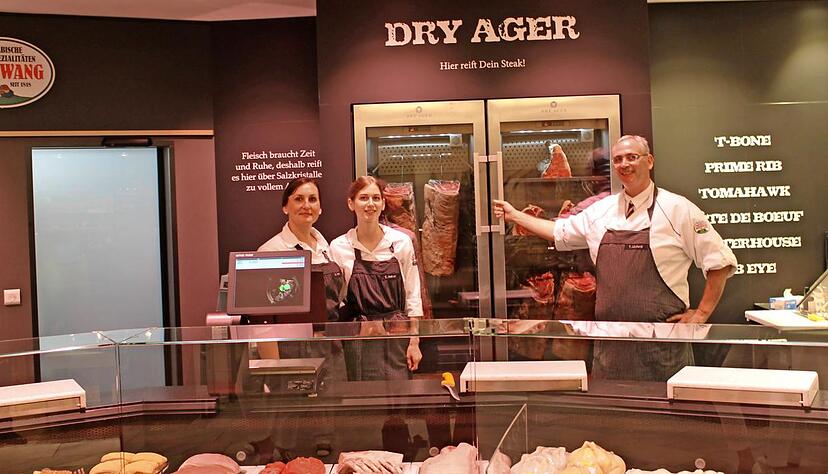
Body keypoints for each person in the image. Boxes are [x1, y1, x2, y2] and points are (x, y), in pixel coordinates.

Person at [493, 135, 737, 381]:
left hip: (662, 347)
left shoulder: (678, 209)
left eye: (632, 157)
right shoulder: (602, 210)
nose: (624, 164)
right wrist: (515, 216)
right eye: (618, 159)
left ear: (649, 161)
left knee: (666, 418)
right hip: (610, 347)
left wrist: (701, 314)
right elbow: (558, 232)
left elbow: (720, 262)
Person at [329, 175, 423, 381]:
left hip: (397, 335)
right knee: (364, 402)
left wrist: (414, 341)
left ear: (382, 204)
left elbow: (413, 295)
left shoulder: (401, 242)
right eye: (363, 198)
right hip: (359, 337)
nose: (370, 204)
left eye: (376, 198)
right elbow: (336, 302)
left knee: (399, 402)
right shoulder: (339, 247)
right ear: (350, 203)